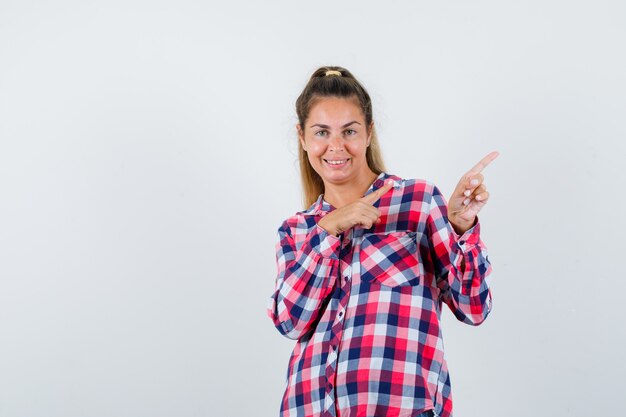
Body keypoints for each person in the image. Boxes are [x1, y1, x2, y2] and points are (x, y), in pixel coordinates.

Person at [267, 66, 498, 417]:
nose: (336, 146)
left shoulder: (417, 203)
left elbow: (474, 307)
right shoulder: (297, 231)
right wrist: (329, 230)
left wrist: (459, 227)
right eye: (321, 132)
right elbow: (290, 323)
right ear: (302, 138)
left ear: (369, 132)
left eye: (349, 131)